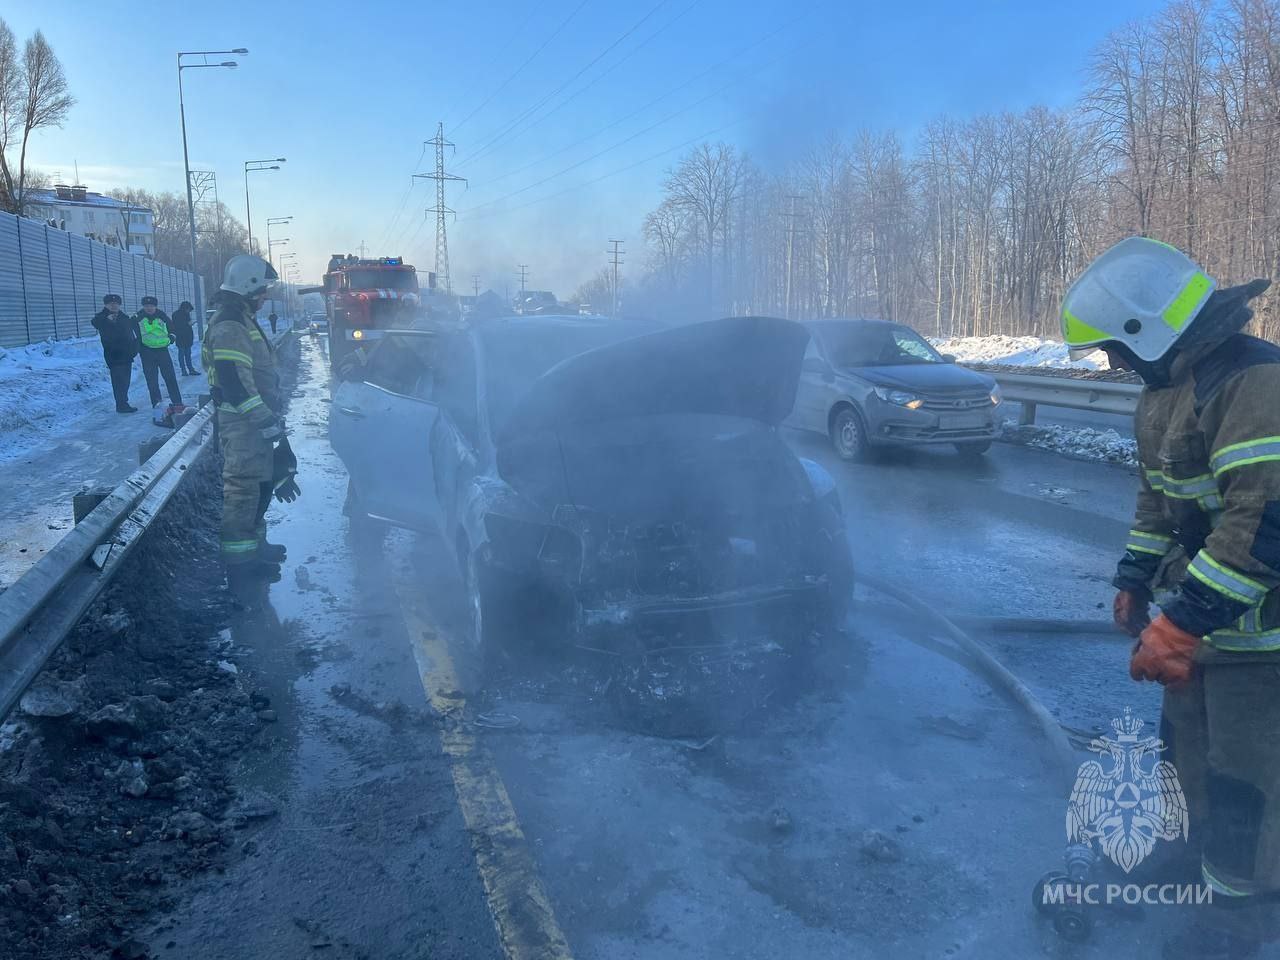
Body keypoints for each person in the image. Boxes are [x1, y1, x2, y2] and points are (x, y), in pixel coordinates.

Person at [1062, 236, 1280, 959]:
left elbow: (1267, 522)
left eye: (1113, 350)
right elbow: (1159, 499)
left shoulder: (1255, 384)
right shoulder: (1164, 395)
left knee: (1244, 774)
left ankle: (1237, 911)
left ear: (1143, 330)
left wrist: (1182, 625)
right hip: (1209, 626)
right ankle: (1190, 858)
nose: (1113, 365)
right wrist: (1133, 575)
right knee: (1183, 753)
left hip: (1264, 639)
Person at [203, 255, 299, 597]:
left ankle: (256, 551)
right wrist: (265, 422)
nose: (264, 298)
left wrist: (270, 423)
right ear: (247, 288)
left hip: (254, 422)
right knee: (243, 492)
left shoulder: (242, 318)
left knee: (260, 488)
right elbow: (235, 382)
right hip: (243, 424)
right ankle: (240, 571)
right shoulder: (230, 323)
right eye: (261, 292)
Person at [90, 293, 138, 413]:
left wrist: (134, 349)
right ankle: (121, 405)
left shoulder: (124, 317)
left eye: (116, 303)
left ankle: (124, 402)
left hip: (127, 354)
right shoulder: (101, 318)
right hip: (114, 355)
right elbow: (96, 322)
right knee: (118, 381)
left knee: (126, 380)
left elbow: (130, 334)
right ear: (106, 305)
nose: (114, 306)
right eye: (110, 304)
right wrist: (107, 320)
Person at [133, 296, 183, 408]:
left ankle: (177, 403)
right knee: (152, 381)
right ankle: (157, 405)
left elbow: (173, 329)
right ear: (143, 306)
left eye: (151, 306)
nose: (149, 308)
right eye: (146, 306)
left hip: (162, 351)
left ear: (155, 306)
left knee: (170, 378)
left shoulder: (162, 316)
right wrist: (138, 347)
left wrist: (171, 338)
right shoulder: (137, 318)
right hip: (147, 352)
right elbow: (132, 333)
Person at [170, 300, 198, 375]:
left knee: (187, 354)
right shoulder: (176, 315)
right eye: (188, 309)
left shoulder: (185, 314)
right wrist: (188, 324)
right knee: (182, 354)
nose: (189, 311)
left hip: (187, 337)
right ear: (185, 308)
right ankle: (184, 370)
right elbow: (178, 326)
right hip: (180, 337)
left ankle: (190, 369)